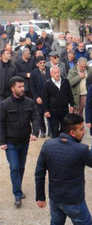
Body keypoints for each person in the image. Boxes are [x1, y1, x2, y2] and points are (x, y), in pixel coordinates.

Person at [35, 114, 92, 224]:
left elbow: (39, 173)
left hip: (55, 199)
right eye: (81, 129)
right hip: (74, 201)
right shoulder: (81, 149)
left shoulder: (48, 145)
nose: (84, 132)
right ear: (72, 133)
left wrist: (40, 197)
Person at [0, 76, 39, 208]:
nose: (23, 89)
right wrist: (2, 141)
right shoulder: (4, 104)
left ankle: (18, 188)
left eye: (23, 86)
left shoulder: (29, 102)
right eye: (19, 87)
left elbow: (35, 117)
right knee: (14, 167)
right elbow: (0, 124)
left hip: (24, 141)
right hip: (10, 142)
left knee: (21, 167)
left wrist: (35, 132)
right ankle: (17, 194)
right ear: (12, 88)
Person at [43, 67, 75, 138]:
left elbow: (69, 94)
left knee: (65, 128)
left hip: (64, 110)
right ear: (51, 74)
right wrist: (46, 110)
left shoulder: (65, 81)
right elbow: (45, 99)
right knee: (55, 129)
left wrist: (72, 105)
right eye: (55, 73)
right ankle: (56, 144)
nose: (57, 74)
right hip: (53, 111)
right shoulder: (47, 84)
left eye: (58, 72)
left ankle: (64, 143)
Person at [30, 56, 51, 138]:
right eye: (40, 63)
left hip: (48, 97)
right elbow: (32, 87)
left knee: (49, 114)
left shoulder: (49, 70)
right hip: (39, 97)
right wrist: (37, 97)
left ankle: (50, 131)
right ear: (37, 64)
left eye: (43, 62)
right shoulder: (34, 73)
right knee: (40, 115)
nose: (42, 64)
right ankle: (42, 130)